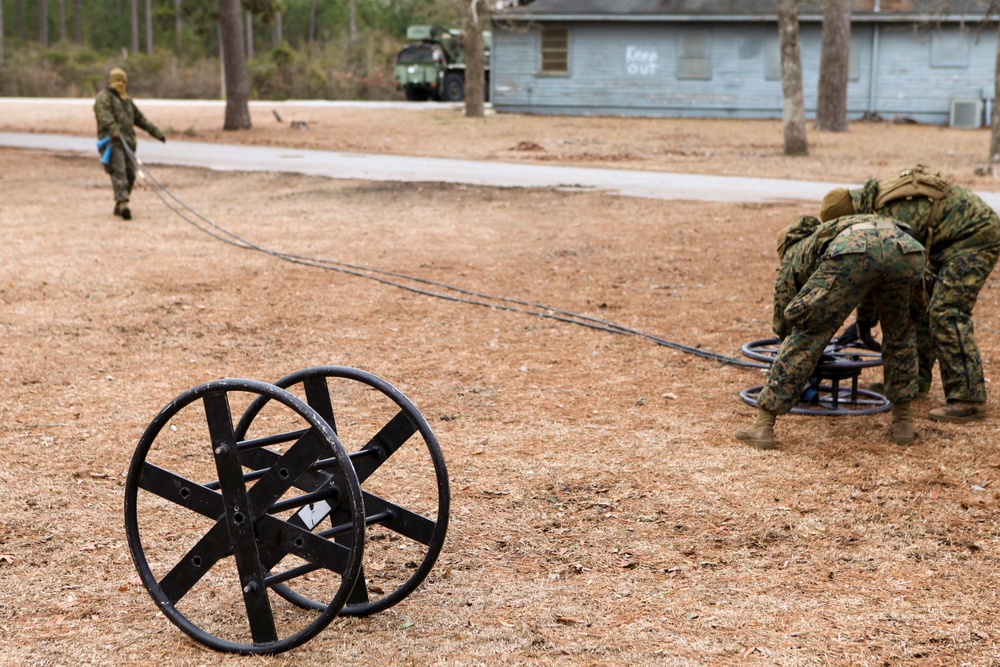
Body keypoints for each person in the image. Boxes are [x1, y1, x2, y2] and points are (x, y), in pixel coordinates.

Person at [821, 166, 1000, 423]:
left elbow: (880, 270)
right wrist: (864, 320)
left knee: (946, 311)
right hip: (945, 240)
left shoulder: (887, 215)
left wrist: (864, 319)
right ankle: (914, 383)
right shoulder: (873, 200)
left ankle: (969, 399)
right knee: (920, 308)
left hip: (974, 237)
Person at [735, 213, 925, 450]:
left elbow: (786, 311)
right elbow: (875, 273)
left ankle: (763, 425)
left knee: (808, 333)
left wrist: (790, 343)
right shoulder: (836, 228)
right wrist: (864, 323)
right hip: (906, 248)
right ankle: (903, 422)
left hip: (855, 251)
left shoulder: (797, 250)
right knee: (901, 334)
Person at [93, 67, 166, 220]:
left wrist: (157, 133)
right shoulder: (104, 97)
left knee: (130, 176)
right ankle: (123, 203)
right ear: (111, 81)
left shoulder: (127, 101)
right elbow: (104, 115)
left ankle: (120, 204)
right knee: (119, 173)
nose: (120, 83)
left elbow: (140, 119)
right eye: (117, 80)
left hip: (129, 145)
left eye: (122, 81)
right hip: (113, 144)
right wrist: (113, 130)